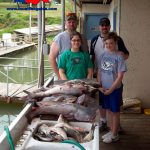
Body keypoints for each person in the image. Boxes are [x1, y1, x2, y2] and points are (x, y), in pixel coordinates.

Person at [90, 18, 129, 133]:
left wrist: (121, 55)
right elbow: (92, 57)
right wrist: (93, 75)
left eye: (107, 25)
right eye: (102, 25)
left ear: (109, 26)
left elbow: (126, 54)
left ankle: (116, 127)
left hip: (114, 77)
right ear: (99, 27)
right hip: (100, 75)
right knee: (102, 103)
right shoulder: (94, 39)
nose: (104, 27)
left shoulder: (118, 39)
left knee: (115, 106)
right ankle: (103, 122)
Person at [97, 31, 127, 143]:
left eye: (111, 43)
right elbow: (99, 73)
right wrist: (99, 86)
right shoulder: (103, 56)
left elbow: (120, 77)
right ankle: (112, 130)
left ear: (115, 43)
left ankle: (115, 134)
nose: (109, 46)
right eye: (107, 43)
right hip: (104, 89)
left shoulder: (119, 57)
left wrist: (111, 90)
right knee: (109, 111)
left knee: (115, 111)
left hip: (114, 90)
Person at [49, 13, 89, 80]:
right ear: (65, 23)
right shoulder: (59, 38)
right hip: (65, 79)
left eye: (73, 22)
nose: (71, 24)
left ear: (77, 23)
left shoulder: (83, 38)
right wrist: (60, 77)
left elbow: (87, 58)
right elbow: (51, 58)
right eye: (69, 22)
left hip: (82, 79)